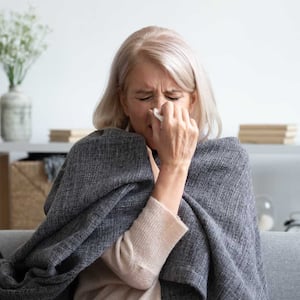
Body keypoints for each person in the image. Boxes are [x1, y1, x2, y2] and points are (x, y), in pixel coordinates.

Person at [0, 26, 268, 300]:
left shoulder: (226, 164)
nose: (160, 110)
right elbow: (137, 268)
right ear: (123, 101)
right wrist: (175, 166)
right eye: (144, 97)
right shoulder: (96, 159)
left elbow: (238, 274)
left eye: (173, 97)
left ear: (192, 101)